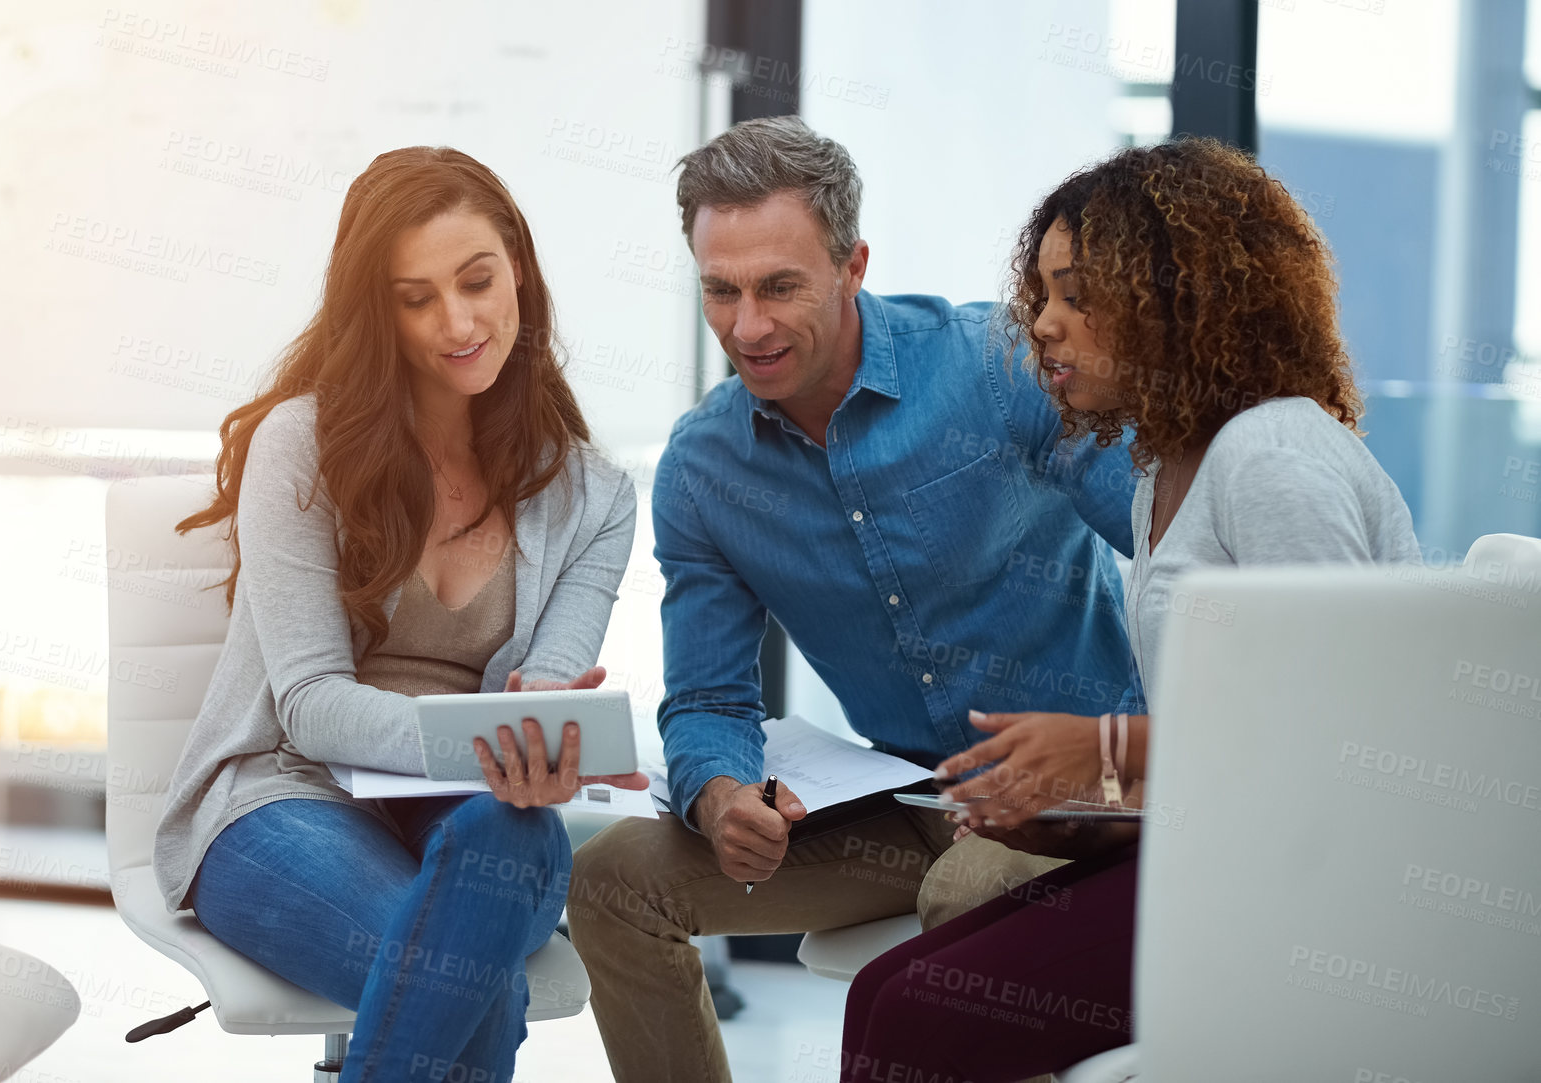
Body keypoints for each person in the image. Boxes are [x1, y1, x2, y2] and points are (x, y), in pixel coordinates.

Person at [568, 115, 1146, 1083]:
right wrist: (718, 797)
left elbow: (1167, 544)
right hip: (904, 801)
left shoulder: (995, 368)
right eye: (720, 290)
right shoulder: (705, 469)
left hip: (1085, 785)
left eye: (778, 286)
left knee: (966, 898)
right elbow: (708, 699)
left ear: (852, 264)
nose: (744, 326)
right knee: (609, 881)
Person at [838, 138, 1422, 1083]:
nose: (1044, 326)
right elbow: (1232, 759)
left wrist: (1107, 749)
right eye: (1043, 296)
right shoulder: (1161, 469)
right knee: (880, 992)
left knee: (915, 1014)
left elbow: (1341, 738)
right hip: (1231, 850)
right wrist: (1063, 814)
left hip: (1313, 893)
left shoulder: (1272, 454)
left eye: (1079, 294)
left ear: (1182, 299)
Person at [150, 146, 641, 1083]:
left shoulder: (596, 498)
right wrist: (492, 738)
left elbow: (540, 702)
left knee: (516, 831)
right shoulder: (304, 445)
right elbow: (312, 705)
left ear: (521, 275)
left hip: (478, 819)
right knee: (477, 988)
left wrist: (534, 748)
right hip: (280, 798)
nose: (456, 322)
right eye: (415, 298)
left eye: (476, 281)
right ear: (377, 311)